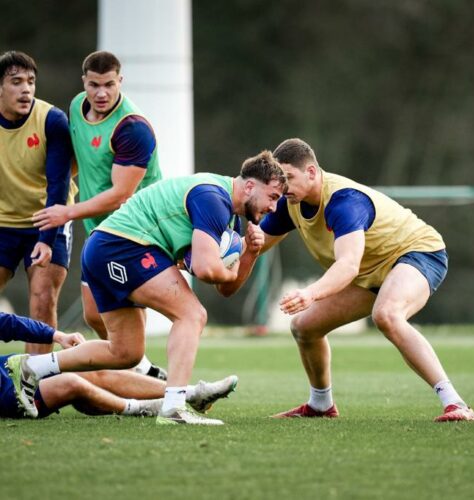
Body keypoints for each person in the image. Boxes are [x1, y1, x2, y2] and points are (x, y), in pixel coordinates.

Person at [8, 150, 287, 425]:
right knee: (192, 314)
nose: (273, 208)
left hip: (105, 248)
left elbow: (225, 289)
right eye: (273, 197)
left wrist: (250, 254)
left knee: (126, 352)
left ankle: (31, 366)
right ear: (249, 186)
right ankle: (174, 408)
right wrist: (231, 268)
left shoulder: (230, 219)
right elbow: (205, 269)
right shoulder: (213, 197)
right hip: (122, 247)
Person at [221, 138, 474, 423]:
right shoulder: (289, 202)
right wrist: (212, 260)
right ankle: (321, 404)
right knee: (304, 327)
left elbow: (348, 265)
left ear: (311, 172)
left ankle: (456, 403)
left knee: (387, 314)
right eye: (280, 180)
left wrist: (311, 293)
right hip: (371, 271)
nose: (283, 187)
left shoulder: (344, 202)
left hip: (417, 253)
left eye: (289, 177)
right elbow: (254, 246)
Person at [31, 51, 164, 379]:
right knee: (93, 314)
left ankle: (146, 375)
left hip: (137, 230)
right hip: (100, 229)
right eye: (94, 85)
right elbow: (80, 160)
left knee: (126, 305)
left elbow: (121, 194)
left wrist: (67, 212)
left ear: (121, 81)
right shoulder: (77, 106)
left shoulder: (132, 128)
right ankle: (141, 368)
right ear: (84, 83)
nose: (101, 93)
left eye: (109, 84)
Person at [0, 312, 238, 419]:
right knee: (71, 383)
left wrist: (57, 335)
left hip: (10, 367)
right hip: (7, 393)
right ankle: (144, 408)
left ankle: (192, 394)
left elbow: (6, 323)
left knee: (96, 370)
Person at [0, 51, 76, 355]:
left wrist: (46, 239)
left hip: (48, 219)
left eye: (31, 81)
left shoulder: (51, 120)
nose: (26, 89)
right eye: (16, 82)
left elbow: (58, 183)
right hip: (3, 222)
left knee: (43, 298)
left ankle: (39, 379)